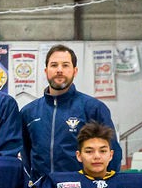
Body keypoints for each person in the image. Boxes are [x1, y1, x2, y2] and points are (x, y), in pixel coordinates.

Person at [21, 44, 123, 180]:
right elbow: (25, 155)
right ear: (46, 71)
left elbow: (112, 152)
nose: (59, 70)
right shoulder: (29, 112)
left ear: (75, 71)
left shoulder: (93, 108)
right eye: (54, 65)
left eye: (65, 65)